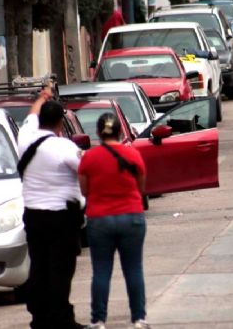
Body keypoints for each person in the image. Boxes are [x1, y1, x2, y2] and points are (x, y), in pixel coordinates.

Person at [18, 87, 85, 329]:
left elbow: (32, 114)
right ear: (60, 122)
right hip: (61, 218)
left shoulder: (25, 138)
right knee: (60, 270)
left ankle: (40, 318)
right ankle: (61, 319)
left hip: (33, 216)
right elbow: (86, 169)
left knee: (39, 266)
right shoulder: (63, 147)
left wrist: (42, 97)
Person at [78, 113, 150, 329]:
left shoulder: (89, 158)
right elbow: (141, 187)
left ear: (99, 133)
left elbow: (84, 189)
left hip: (100, 219)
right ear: (120, 131)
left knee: (101, 270)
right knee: (134, 269)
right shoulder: (133, 154)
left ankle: (98, 320)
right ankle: (139, 319)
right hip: (131, 217)